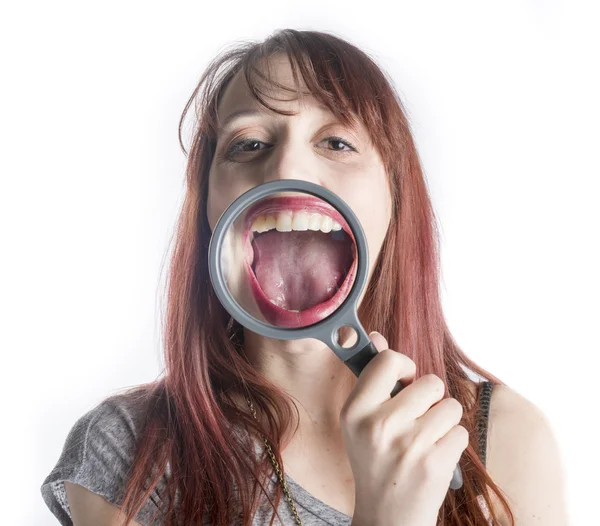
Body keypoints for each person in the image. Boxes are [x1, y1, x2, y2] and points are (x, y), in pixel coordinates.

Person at [41, 29, 569, 525]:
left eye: (337, 142)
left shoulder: (504, 441)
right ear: (210, 205)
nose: (287, 167)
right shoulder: (131, 452)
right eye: (247, 143)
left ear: (394, 200)